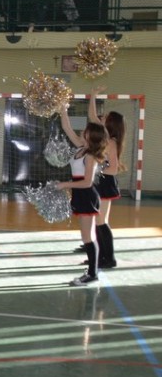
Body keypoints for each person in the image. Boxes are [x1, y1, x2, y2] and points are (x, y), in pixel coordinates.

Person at [64, 88, 125, 270]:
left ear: (110, 123)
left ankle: (109, 258)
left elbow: (113, 168)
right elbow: (91, 115)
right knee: (96, 222)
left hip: (104, 184)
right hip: (98, 183)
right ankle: (99, 256)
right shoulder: (101, 138)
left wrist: (97, 171)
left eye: (105, 117)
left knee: (100, 222)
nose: (101, 117)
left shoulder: (111, 142)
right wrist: (92, 95)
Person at [57, 106, 107, 286]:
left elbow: (87, 182)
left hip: (86, 195)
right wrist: (63, 109)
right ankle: (93, 271)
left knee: (87, 236)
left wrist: (65, 185)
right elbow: (67, 128)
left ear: (90, 136)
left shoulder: (91, 156)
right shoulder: (81, 147)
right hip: (80, 194)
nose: (82, 131)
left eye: (86, 130)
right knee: (87, 235)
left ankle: (92, 273)